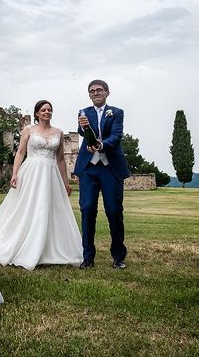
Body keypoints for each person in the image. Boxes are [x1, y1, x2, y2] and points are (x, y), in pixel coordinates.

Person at [0, 100, 83, 270]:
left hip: (51, 174)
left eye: (49, 110)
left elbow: (61, 159)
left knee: (50, 208)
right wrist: (15, 173)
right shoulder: (28, 130)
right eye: (43, 110)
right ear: (37, 113)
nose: (47, 112)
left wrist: (66, 182)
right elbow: (20, 152)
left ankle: (49, 248)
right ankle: (24, 244)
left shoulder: (59, 132)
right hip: (31, 172)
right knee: (28, 207)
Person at [74, 80, 130, 270]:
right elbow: (82, 132)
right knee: (87, 209)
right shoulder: (83, 112)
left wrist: (101, 145)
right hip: (89, 168)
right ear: (89, 95)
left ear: (107, 92)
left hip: (110, 167)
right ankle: (88, 257)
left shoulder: (117, 112)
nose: (95, 93)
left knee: (114, 211)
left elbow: (116, 135)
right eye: (92, 91)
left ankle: (118, 256)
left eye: (99, 90)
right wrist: (84, 128)